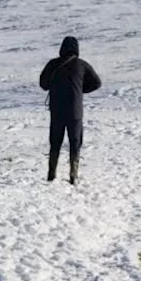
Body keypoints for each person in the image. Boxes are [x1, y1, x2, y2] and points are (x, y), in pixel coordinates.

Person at [38, 35, 101, 184]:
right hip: (75, 110)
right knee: (75, 141)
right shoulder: (82, 64)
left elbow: (43, 84)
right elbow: (97, 83)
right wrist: (80, 89)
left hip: (57, 109)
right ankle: (73, 174)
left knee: (55, 141)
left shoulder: (52, 64)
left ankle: (51, 173)